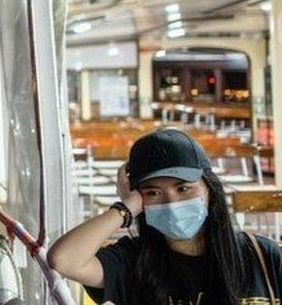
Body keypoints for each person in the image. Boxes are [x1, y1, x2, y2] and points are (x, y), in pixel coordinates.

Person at [48, 128, 282, 304]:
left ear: (209, 190)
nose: (171, 203)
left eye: (183, 188)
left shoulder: (261, 255)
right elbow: (63, 260)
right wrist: (125, 208)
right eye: (153, 193)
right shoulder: (132, 261)